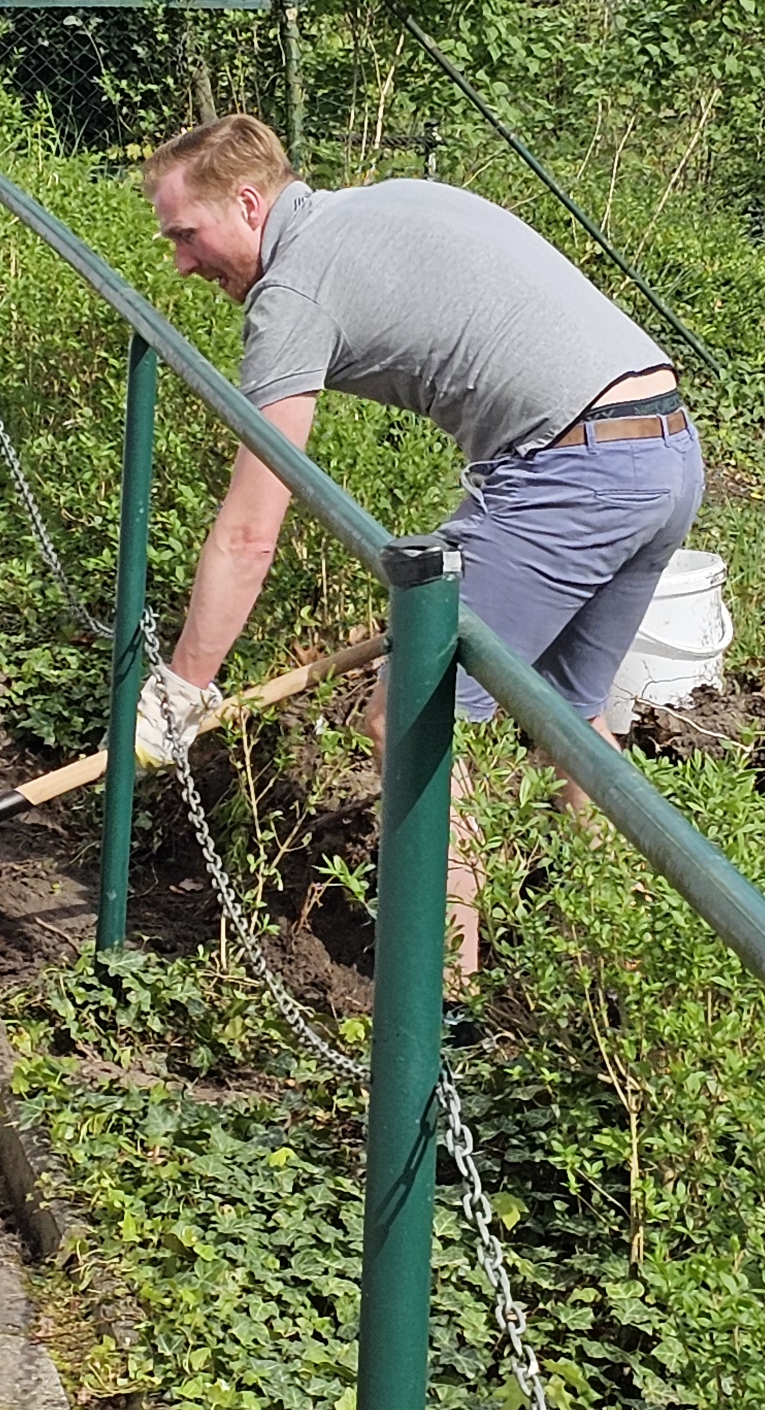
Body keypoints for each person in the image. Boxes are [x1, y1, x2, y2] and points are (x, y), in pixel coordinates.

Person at [135, 115, 702, 977]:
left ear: (248, 205)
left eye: (186, 234)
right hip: (665, 448)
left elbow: (251, 528)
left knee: (409, 716)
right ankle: (622, 974)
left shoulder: (293, 293)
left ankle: (441, 1004)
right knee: (568, 715)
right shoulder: (378, 204)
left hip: (573, 473)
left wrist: (183, 687)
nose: (181, 263)